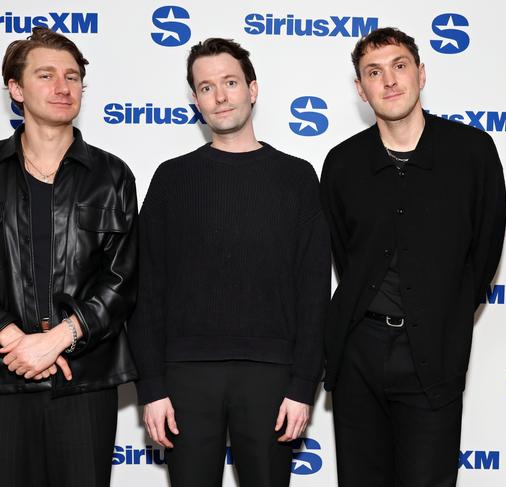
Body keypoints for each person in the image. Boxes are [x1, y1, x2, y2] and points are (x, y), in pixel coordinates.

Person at [128, 37, 330, 487]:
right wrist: (152, 387)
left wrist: (302, 387)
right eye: (205, 87)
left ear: (252, 89)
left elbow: (315, 291)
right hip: (183, 378)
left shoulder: (297, 178)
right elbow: (145, 290)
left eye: (230, 82)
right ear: (195, 99)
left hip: (272, 378)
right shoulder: (171, 178)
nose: (219, 96)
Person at [320, 27, 506, 487]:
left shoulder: (472, 152)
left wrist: (444, 316)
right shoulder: (342, 162)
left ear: (421, 74)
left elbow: (484, 251)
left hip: (434, 355)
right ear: (361, 90)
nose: (389, 80)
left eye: (400, 66)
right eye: (374, 72)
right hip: (359, 355)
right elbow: (346, 256)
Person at [0, 27, 138, 487]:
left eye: (73, 77)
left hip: (84, 379)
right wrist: (13, 339)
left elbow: (122, 280)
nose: (63, 87)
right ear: (16, 89)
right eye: (46, 75)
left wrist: (59, 337)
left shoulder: (112, 174)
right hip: (3, 373)